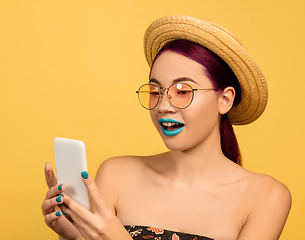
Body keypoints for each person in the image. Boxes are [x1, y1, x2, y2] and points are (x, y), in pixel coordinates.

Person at [41, 15, 291, 240]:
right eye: (155, 91)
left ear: (224, 99)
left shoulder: (267, 197)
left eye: (182, 91)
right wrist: (71, 236)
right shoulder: (116, 174)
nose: (163, 106)